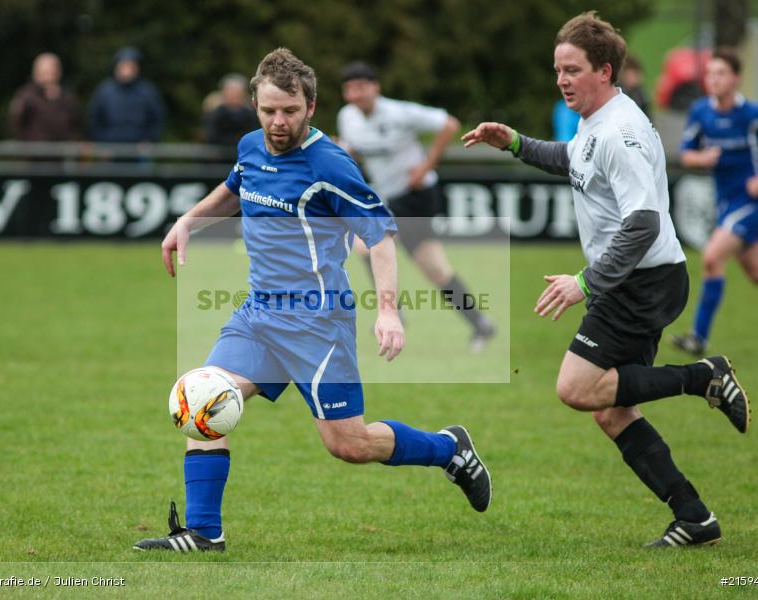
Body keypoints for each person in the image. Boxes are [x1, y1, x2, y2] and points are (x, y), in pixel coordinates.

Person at [134, 48, 491, 553]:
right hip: (258, 315)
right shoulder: (251, 146)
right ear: (255, 104)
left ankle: (449, 449)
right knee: (202, 402)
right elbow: (232, 189)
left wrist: (388, 310)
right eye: (268, 111)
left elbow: (381, 235)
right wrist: (187, 221)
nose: (278, 123)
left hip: (317, 324)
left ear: (311, 107)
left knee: (348, 444)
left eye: (290, 111)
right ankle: (203, 531)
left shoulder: (329, 164)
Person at [463, 12, 750, 548]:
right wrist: (517, 144)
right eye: (557, 70)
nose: (562, 80)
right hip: (633, 279)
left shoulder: (622, 130)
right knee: (613, 413)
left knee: (576, 389)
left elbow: (643, 223)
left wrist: (587, 283)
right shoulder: (595, 121)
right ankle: (694, 516)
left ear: (605, 70)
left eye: (572, 70)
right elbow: (574, 160)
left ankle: (702, 377)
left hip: (642, 281)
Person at [336, 62, 496, 352]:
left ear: (375, 87)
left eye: (361, 87)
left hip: (416, 195)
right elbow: (354, 151)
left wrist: (425, 166)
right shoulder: (347, 117)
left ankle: (391, 311)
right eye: (349, 89)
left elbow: (450, 124)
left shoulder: (399, 112)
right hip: (389, 198)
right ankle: (480, 323)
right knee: (435, 269)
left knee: (366, 243)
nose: (355, 94)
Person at [671, 47, 758, 356]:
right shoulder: (701, 112)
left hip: (753, 201)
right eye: (710, 73)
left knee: (712, 256)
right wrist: (703, 157)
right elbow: (686, 153)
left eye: (721, 73)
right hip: (726, 203)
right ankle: (698, 337)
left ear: (736, 78)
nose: (713, 79)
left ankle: (698, 338)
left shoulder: (754, 114)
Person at [88, 46, 165, 143]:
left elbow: (157, 119)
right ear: (116, 67)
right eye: (123, 65)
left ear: (137, 68)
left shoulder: (147, 91)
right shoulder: (104, 90)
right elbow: (94, 119)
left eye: (130, 66)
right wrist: (102, 143)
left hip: (139, 150)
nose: (127, 70)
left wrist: (149, 140)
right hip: (111, 148)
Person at [9, 53, 83, 141]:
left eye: (52, 72)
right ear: (36, 74)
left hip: (62, 152)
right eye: (44, 73)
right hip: (34, 152)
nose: (48, 77)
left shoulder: (68, 97)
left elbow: (77, 125)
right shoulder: (25, 97)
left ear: (58, 72)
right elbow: (16, 125)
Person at [203, 73, 260, 147]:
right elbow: (210, 135)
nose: (233, 94)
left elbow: (254, 134)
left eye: (237, 91)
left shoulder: (251, 112)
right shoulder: (215, 112)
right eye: (230, 90)